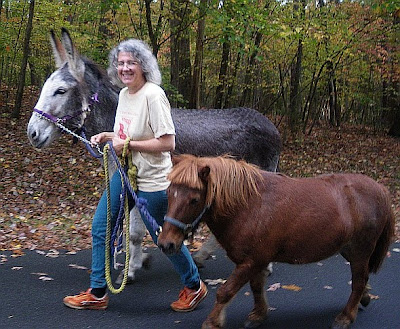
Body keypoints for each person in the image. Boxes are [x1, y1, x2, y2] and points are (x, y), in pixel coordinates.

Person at [63, 39, 207, 312]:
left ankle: (194, 285)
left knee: (161, 238)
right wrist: (109, 136)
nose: (125, 68)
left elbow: (167, 143)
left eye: (131, 62)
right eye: (120, 63)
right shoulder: (125, 95)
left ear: (143, 66)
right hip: (126, 174)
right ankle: (96, 292)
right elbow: (126, 134)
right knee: (101, 227)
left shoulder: (153, 95)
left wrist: (127, 145)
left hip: (152, 179)